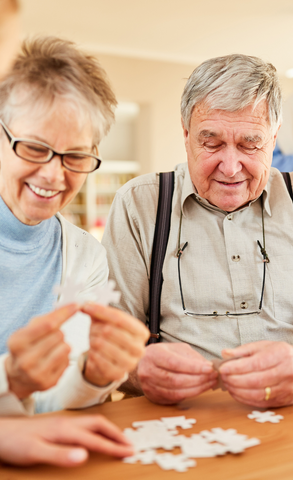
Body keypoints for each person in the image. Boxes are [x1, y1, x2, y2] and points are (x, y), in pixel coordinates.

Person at [0, 0, 135, 467]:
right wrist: (11, 379)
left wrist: (94, 373)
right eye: (36, 148)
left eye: (76, 156)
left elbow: (60, 408)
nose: (54, 174)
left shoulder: (85, 254)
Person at [102, 53, 293, 409]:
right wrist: (136, 368)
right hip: (173, 430)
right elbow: (105, 347)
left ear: (274, 136)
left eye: (251, 143)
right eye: (212, 142)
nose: (232, 166)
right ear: (187, 133)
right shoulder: (139, 205)